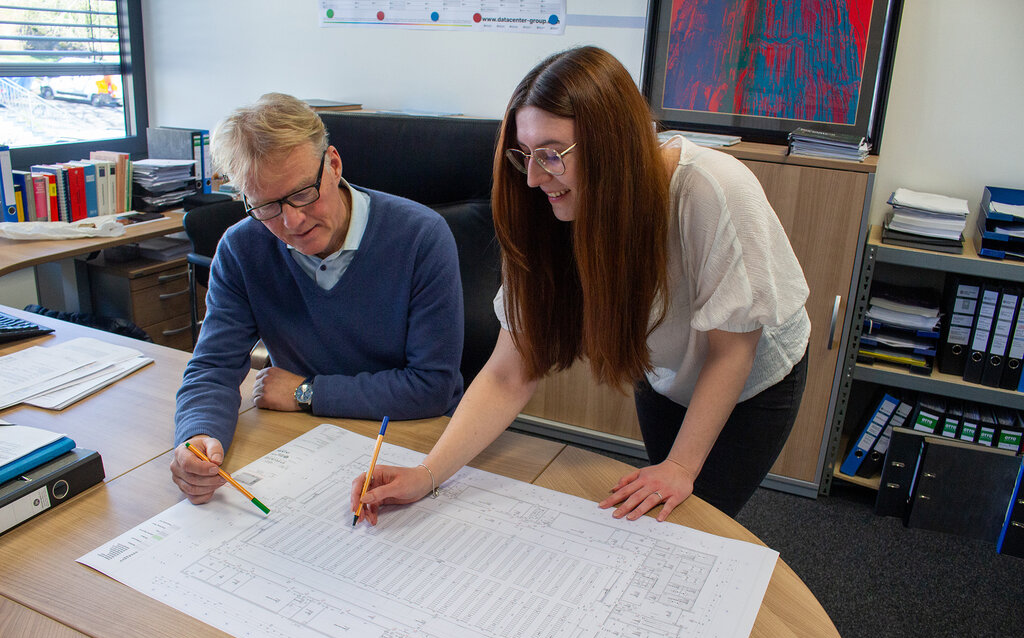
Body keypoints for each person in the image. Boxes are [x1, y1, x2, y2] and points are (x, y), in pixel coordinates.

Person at [350, 46, 809, 523]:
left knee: (698, 520)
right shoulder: (547, 212)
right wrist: (428, 474)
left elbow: (731, 351)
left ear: (614, 143)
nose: (532, 178)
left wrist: (679, 465)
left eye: (551, 154)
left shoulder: (712, 189)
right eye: (525, 154)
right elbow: (510, 372)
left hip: (748, 378)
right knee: (659, 509)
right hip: (663, 365)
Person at [171, 93, 464, 504]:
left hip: (413, 442)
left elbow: (432, 386)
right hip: (304, 445)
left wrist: (306, 392)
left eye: (302, 193)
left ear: (334, 164)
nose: (292, 221)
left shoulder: (421, 237)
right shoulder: (243, 248)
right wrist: (197, 435)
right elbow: (213, 366)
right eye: (267, 207)